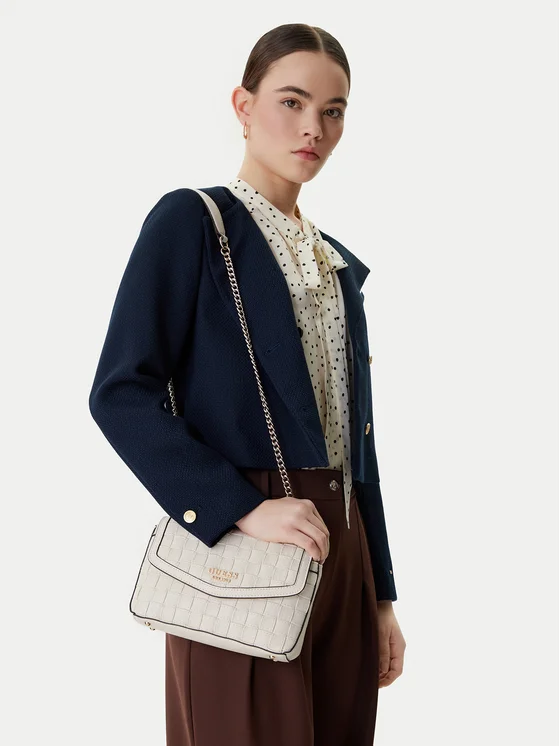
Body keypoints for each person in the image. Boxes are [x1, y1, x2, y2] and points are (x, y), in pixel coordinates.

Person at [89, 22, 406, 746]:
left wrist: (380, 594)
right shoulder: (194, 223)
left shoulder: (335, 264)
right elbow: (120, 391)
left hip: (343, 553)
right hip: (246, 550)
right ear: (243, 105)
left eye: (332, 110)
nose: (313, 128)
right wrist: (238, 507)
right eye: (292, 102)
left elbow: (355, 443)